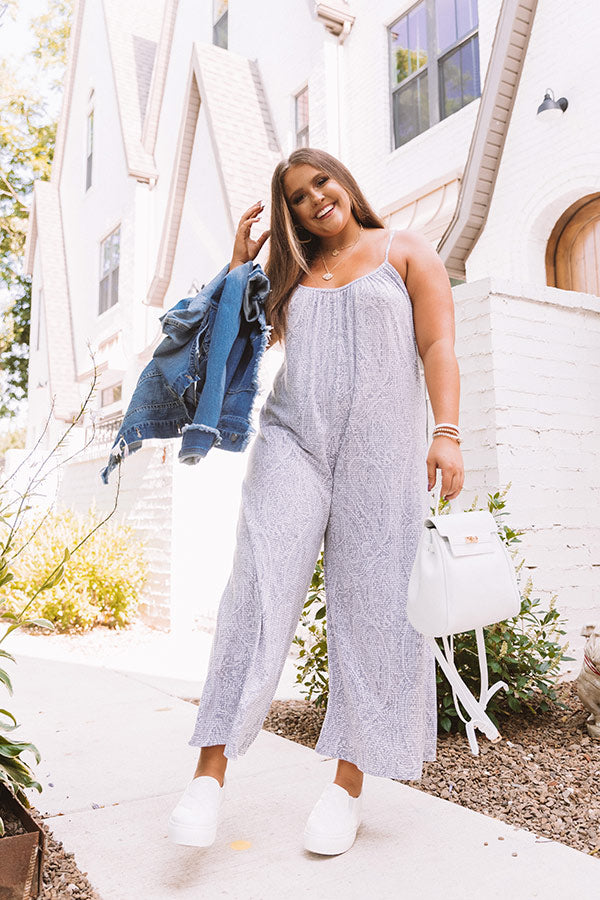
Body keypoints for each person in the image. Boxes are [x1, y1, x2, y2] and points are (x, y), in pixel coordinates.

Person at [167, 147, 464, 855]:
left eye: (320, 183)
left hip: (383, 455)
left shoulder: (406, 251)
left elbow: (438, 345)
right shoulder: (289, 275)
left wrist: (447, 432)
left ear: (344, 182)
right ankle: (208, 775)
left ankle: (346, 788)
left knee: (375, 608)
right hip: (293, 443)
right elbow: (228, 346)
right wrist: (239, 266)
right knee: (257, 589)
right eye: (297, 198)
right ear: (290, 214)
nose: (314, 201)